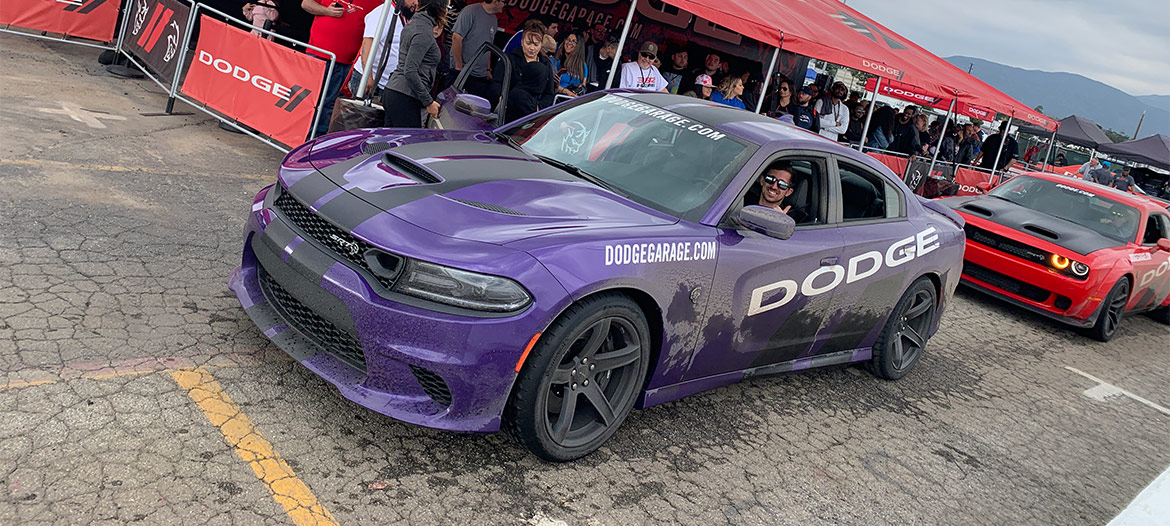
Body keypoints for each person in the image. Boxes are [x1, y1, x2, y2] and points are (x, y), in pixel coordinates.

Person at [302, 0, 382, 137]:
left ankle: (314, 140)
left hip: (347, 62)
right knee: (307, 98)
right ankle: (300, 135)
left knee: (330, 104)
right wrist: (326, 11)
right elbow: (306, 4)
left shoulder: (377, 3)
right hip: (318, 55)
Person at [381, 0, 445, 128]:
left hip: (395, 90)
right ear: (440, 8)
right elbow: (410, 70)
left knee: (390, 141)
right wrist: (428, 102)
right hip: (404, 95)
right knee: (408, 144)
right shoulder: (423, 32)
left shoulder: (413, 24)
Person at [349, 0, 415, 99]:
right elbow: (367, 43)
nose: (416, 3)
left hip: (386, 83)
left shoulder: (404, 15)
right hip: (371, 79)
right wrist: (368, 77)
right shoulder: (383, 13)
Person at [450, 0, 502, 100]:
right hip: (463, 73)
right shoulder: (470, 11)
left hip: (480, 77)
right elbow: (456, 38)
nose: (505, 5)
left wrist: (488, 70)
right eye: (504, 2)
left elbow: (489, 47)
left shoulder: (494, 20)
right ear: (495, 2)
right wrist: (458, 66)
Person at [501, 29, 554, 122]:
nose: (532, 48)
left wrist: (538, 107)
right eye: (528, 43)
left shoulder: (546, 64)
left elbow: (549, 93)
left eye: (536, 45)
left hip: (532, 112)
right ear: (522, 42)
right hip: (507, 112)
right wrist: (501, 101)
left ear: (541, 45)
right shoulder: (509, 60)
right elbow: (497, 84)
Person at [553, 32, 588, 98]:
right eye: (568, 39)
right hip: (557, 97)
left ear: (579, 45)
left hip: (572, 100)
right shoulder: (556, 60)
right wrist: (566, 91)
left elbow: (583, 85)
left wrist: (579, 89)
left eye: (573, 41)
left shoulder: (583, 65)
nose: (569, 43)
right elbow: (550, 84)